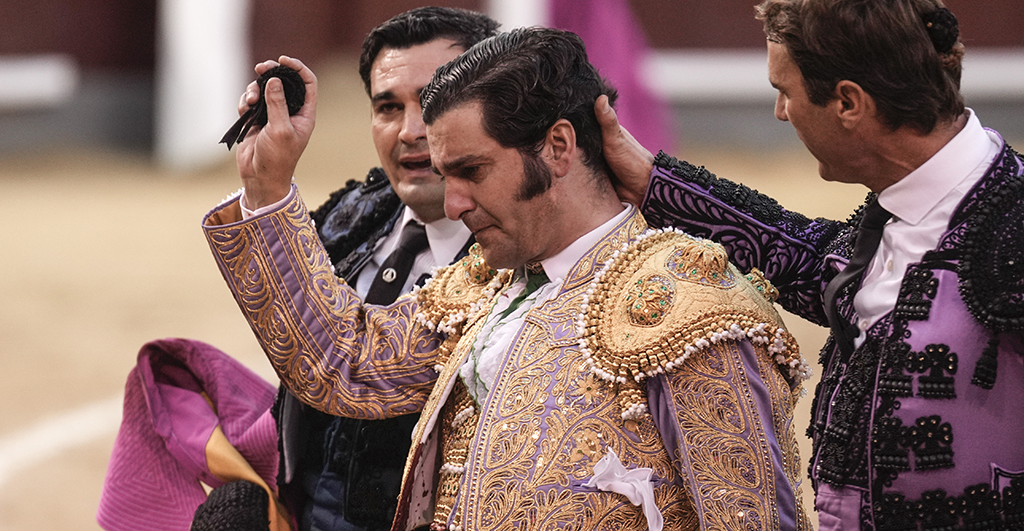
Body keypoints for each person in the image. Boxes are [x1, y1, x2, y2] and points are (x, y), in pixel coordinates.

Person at [204, 27, 812, 530]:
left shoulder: (688, 309)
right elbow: (350, 363)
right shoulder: (487, 282)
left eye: (472, 171)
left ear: (558, 146)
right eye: (447, 174)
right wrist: (266, 189)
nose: (455, 203)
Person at [596, 0, 1024, 529]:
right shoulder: (904, 207)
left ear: (848, 103)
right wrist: (655, 182)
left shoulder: (1009, 223)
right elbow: (807, 260)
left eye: (785, 91)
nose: (780, 112)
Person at [268, 7, 497, 531]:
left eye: (436, 102)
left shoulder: (522, 253)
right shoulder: (347, 217)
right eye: (388, 107)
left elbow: (345, 363)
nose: (411, 131)